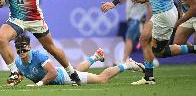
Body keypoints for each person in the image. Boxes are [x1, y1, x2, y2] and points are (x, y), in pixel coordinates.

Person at [14, 34, 145, 86]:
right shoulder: (18, 62)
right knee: (76, 70)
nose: (21, 52)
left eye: (24, 49)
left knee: (102, 79)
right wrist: (15, 80)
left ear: (29, 47)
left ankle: (127, 65)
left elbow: (53, 73)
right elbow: (22, 72)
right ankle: (95, 57)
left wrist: (38, 85)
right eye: (18, 50)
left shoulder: (39, 56)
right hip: (62, 73)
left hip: (63, 77)